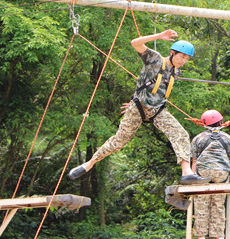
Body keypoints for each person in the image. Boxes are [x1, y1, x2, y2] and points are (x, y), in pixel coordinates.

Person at [68, 29, 209, 185]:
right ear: (172, 53)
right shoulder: (155, 59)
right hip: (138, 108)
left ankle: (186, 172)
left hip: (157, 110)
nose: (183, 61)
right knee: (119, 142)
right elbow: (135, 43)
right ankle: (89, 164)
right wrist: (159, 36)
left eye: (187, 59)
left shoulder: (176, 72)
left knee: (180, 133)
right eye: (182, 56)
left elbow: (156, 92)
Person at [190, 110, 230, 239]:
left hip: (204, 173)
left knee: (202, 204)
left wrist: (192, 180)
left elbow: (194, 162)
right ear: (221, 122)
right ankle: (219, 237)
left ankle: (201, 236)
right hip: (221, 174)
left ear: (204, 124)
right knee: (218, 204)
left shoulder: (198, 139)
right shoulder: (228, 139)